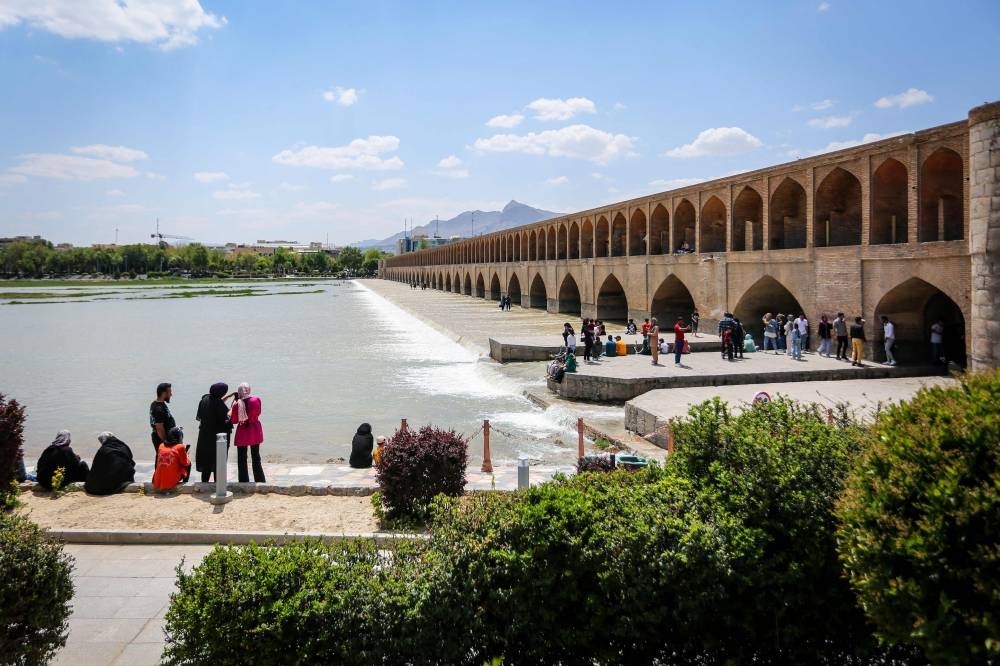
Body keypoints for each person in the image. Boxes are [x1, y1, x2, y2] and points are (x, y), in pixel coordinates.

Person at [195, 382, 233, 483]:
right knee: (218, 461)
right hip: (216, 439)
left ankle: (204, 484)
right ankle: (218, 484)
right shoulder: (218, 404)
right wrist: (232, 409)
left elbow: (215, 405)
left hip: (204, 437)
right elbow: (226, 419)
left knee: (207, 462)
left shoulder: (205, 399)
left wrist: (228, 397)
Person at [230, 382, 265, 483]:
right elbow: (259, 412)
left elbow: (234, 420)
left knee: (242, 458)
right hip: (254, 429)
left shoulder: (237, 404)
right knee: (256, 457)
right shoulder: (256, 400)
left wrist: (235, 402)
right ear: (249, 390)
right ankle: (260, 480)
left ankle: (243, 481)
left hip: (242, 430)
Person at [151, 426, 191, 492]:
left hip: (157, 481)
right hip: (169, 482)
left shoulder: (161, 445)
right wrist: (187, 454)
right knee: (189, 463)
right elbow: (185, 463)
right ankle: (185, 482)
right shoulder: (180, 447)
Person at [149, 382, 176, 464]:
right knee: (162, 463)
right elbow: (159, 428)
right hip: (160, 439)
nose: (171, 394)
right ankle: (158, 476)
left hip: (160, 437)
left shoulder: (157, 403)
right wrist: (166, 442)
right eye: (169, 392)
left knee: (161, 461)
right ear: (164, 393)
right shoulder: (158, 409)